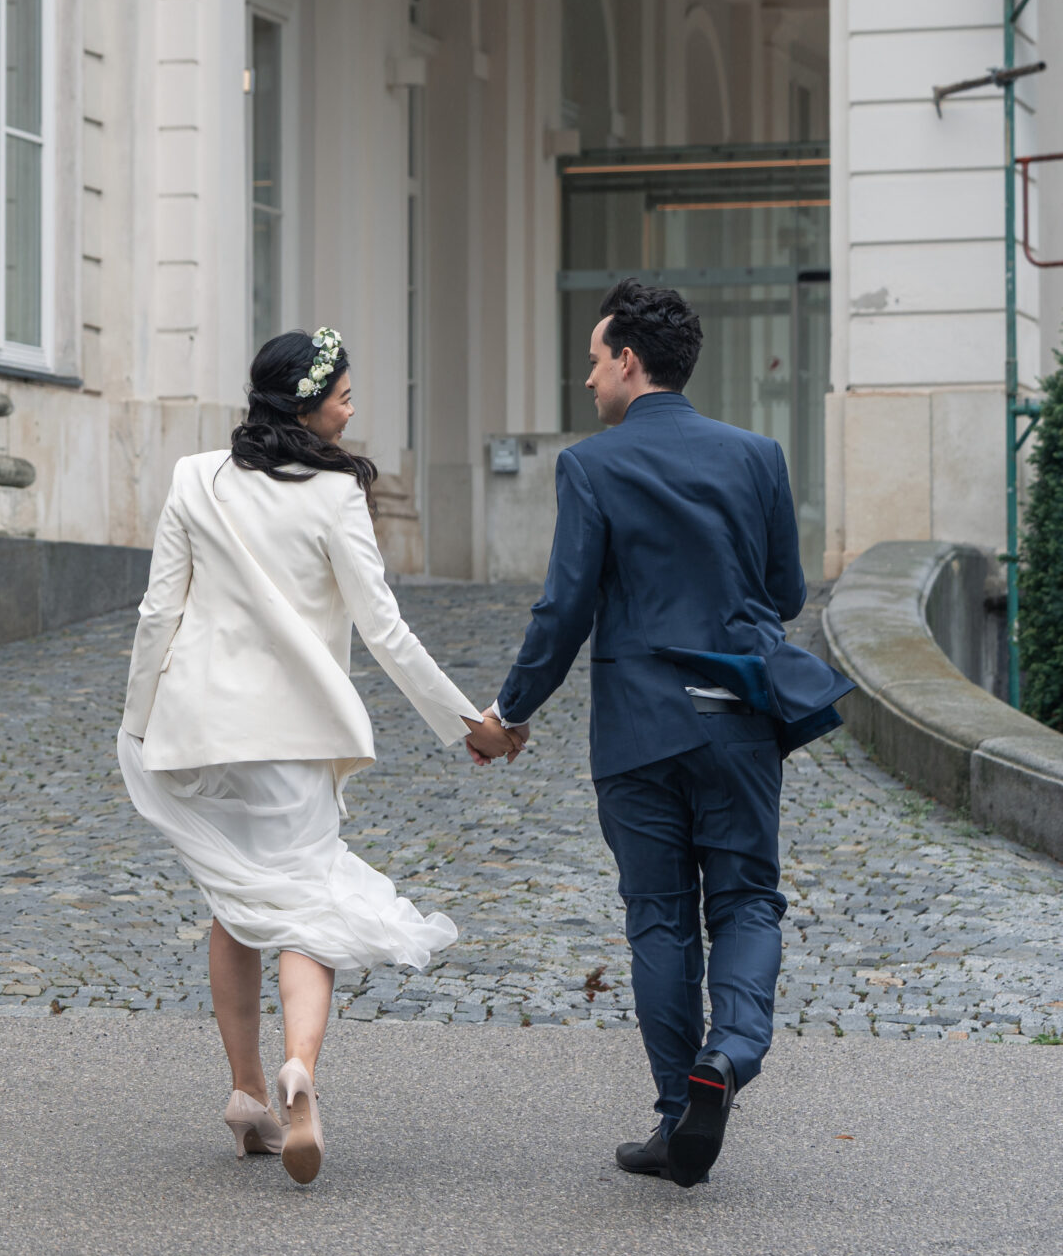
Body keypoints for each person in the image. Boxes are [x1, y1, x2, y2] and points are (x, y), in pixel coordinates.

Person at [120, 327, 517, 1186]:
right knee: (304, 904)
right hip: (294, 737)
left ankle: (246, 1092)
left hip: (203, 732)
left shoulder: (194, 478)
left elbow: (159, 615)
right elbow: (385, 631)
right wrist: (467, 724)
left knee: (237, 900)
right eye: (339, 387)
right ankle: (301, 1067)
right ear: (303, 399)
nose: (349, 400)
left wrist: (139, 719)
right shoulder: (336, 492)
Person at [481, 280, 853, 1187]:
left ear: (629, 362)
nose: (587, 375)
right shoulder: (757, 455)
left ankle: (674, 1112)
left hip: (641, 729)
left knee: (658, 918)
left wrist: (508, 712)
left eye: (596, 357)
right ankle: (726, 1054)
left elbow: (564, 609)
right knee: (746, 900)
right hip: (738, 724)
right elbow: (787, 593)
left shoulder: (593, 466)